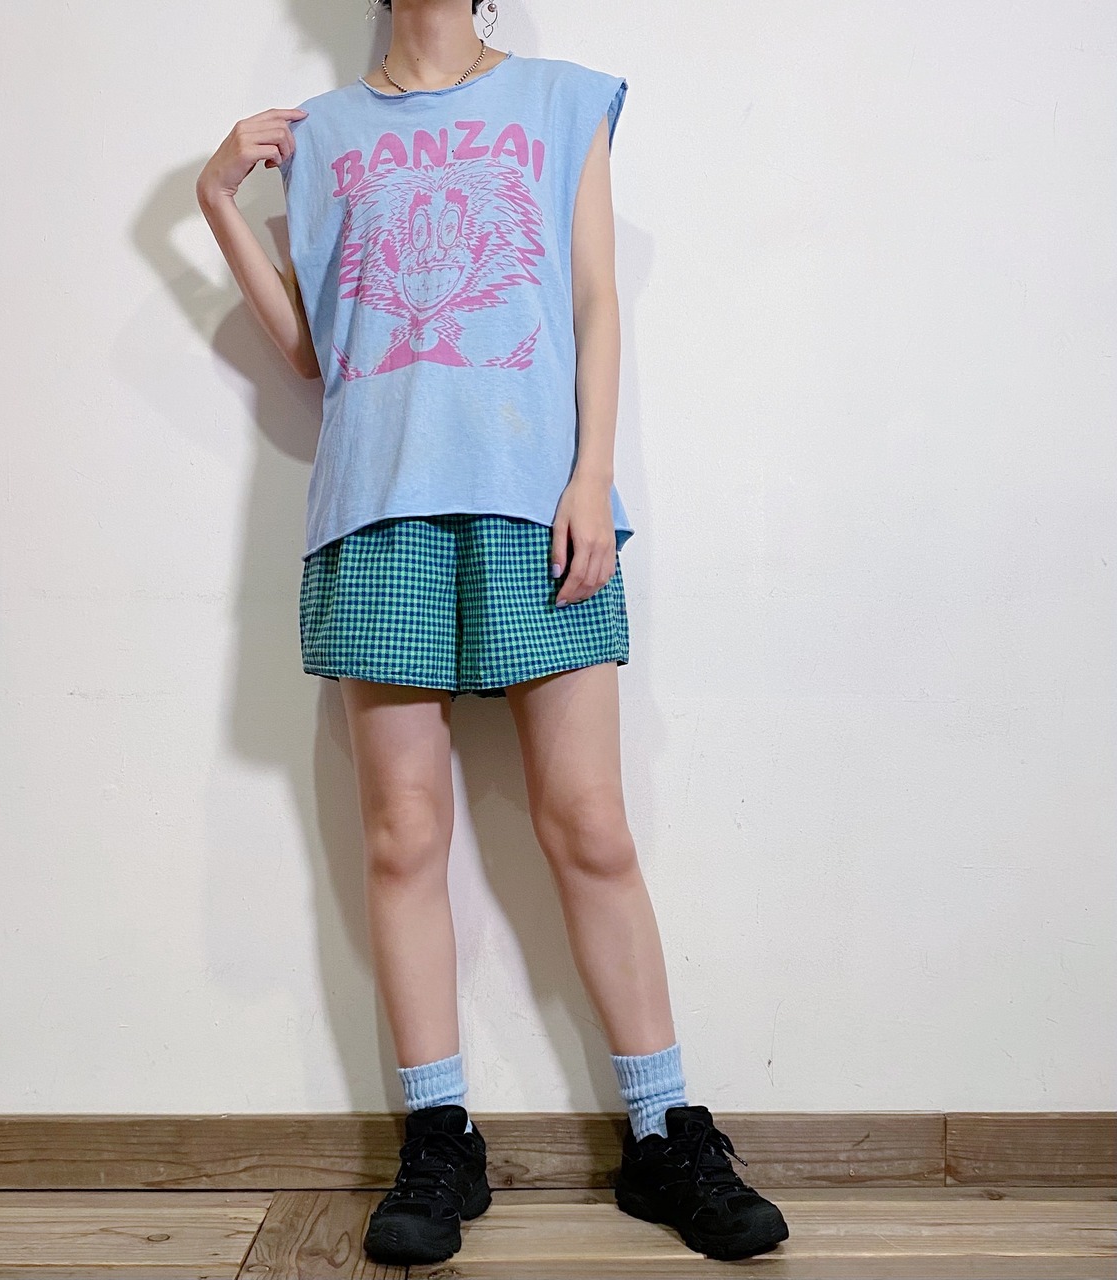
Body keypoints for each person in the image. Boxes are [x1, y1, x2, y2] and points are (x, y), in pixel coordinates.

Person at [196, 0, 789, 1266]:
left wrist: (591, 476)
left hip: (536, 503)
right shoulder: (323, 134)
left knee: (590, 824)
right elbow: (314, 349)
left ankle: (663, 1132)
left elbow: (593, 299)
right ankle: (437, 1136)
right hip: (376, 509)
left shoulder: (561, 100)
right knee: (402, 834)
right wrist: (213, 202)